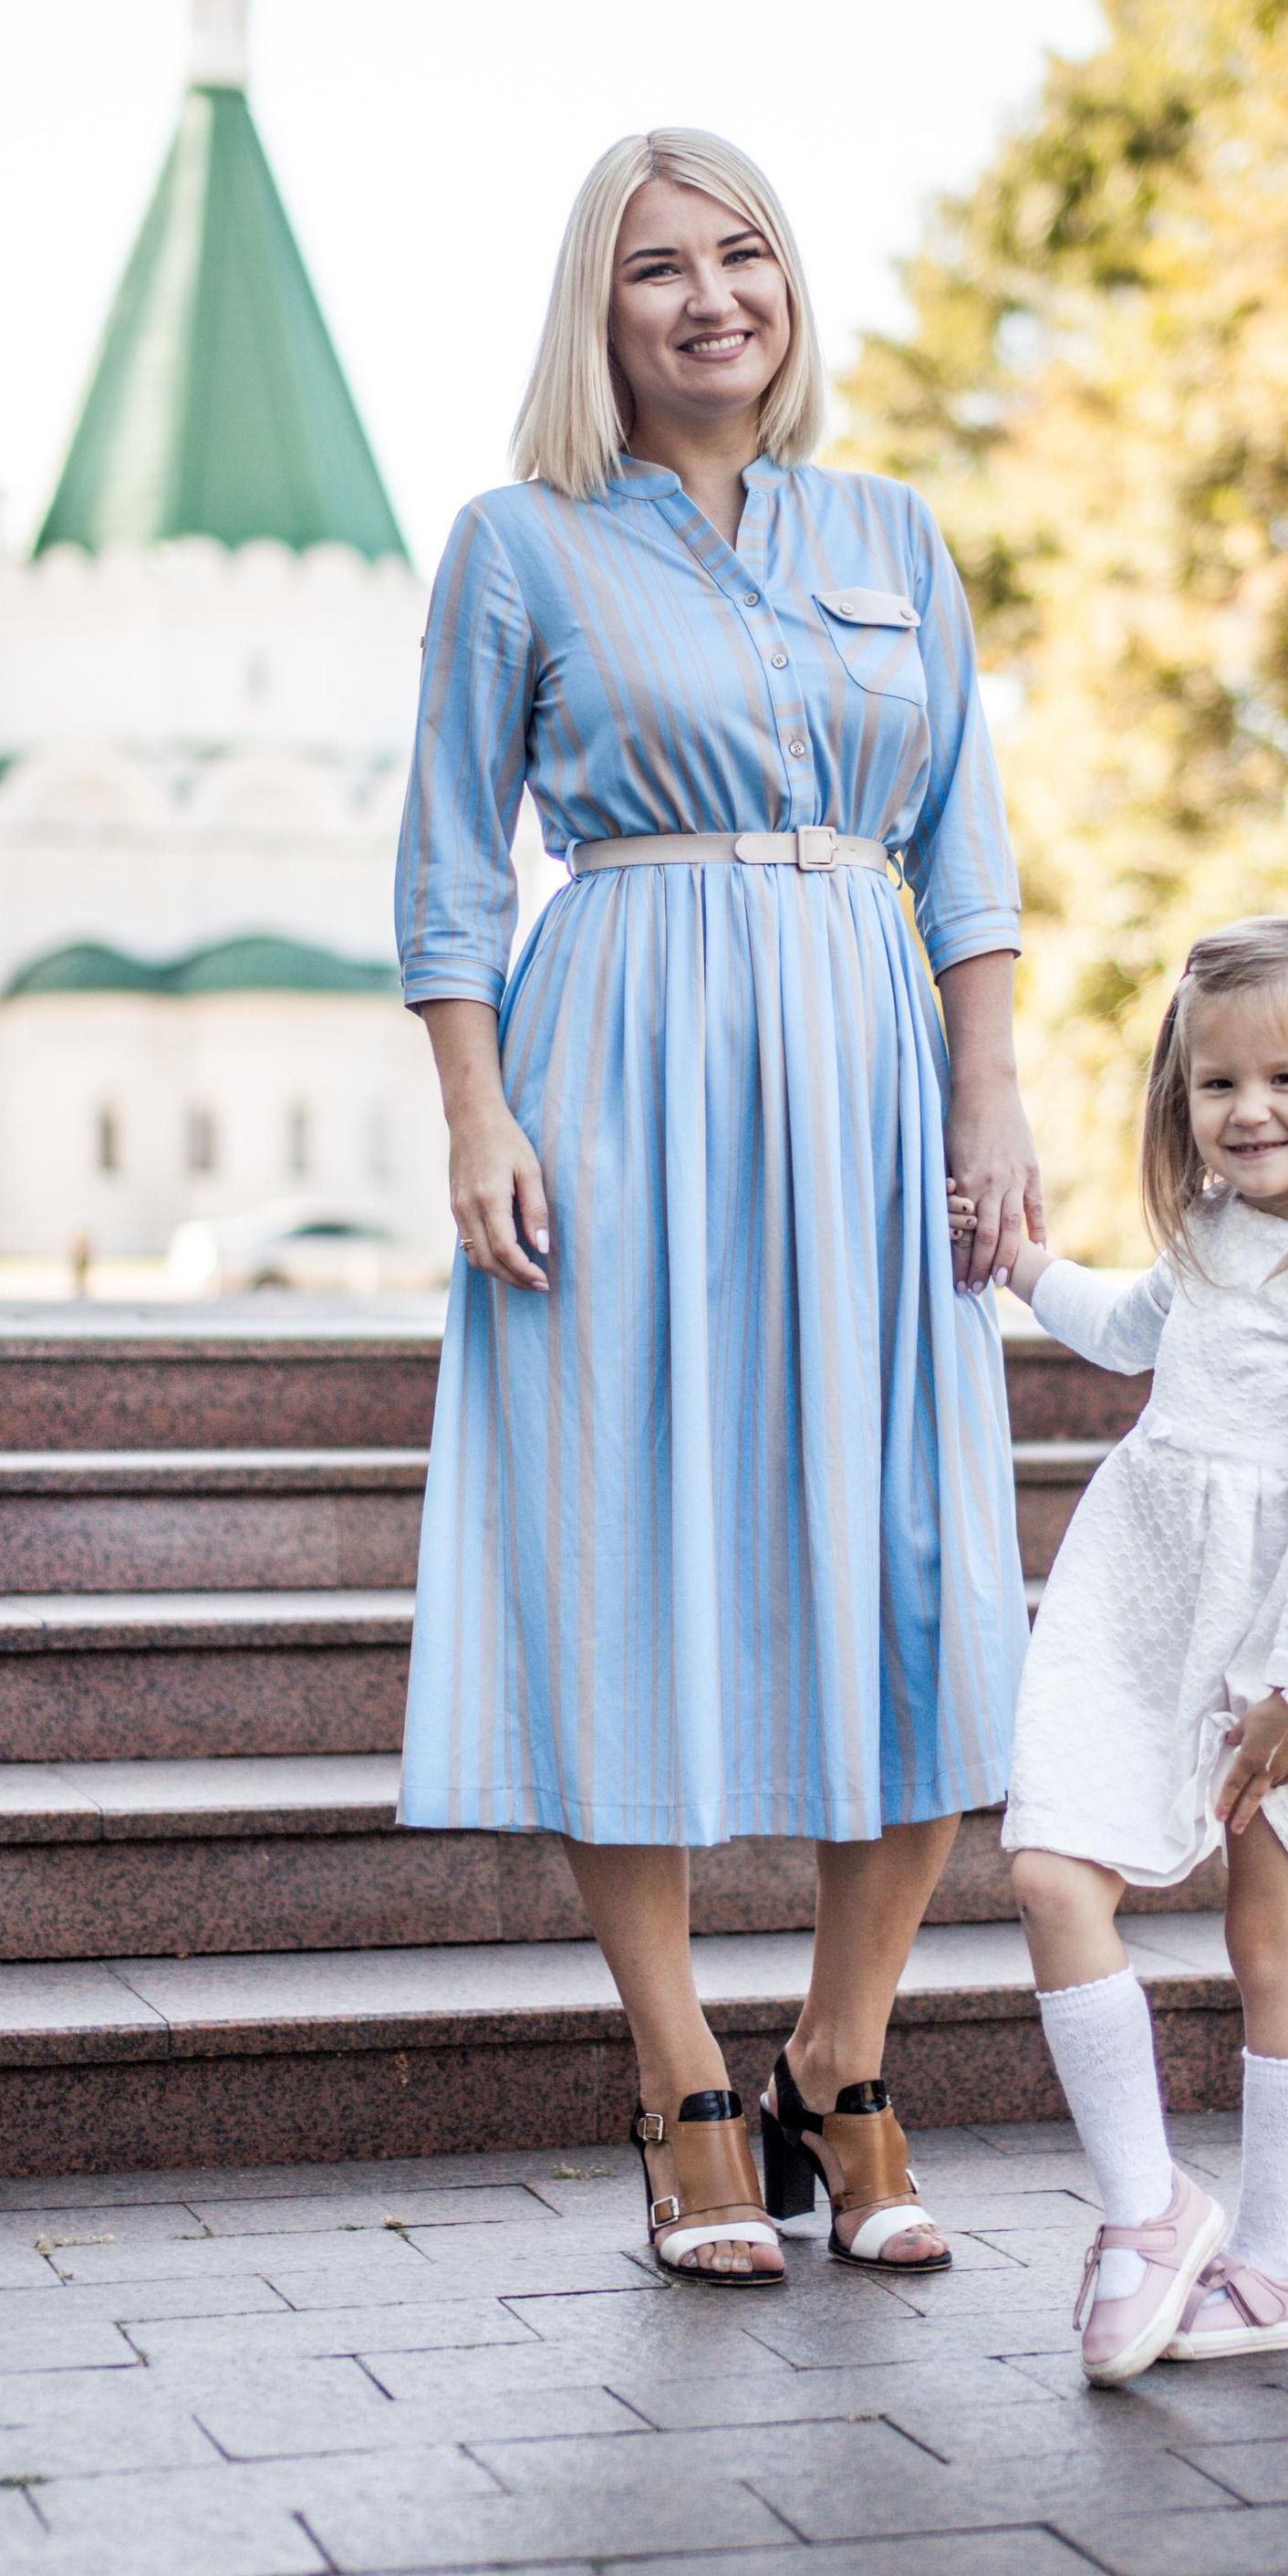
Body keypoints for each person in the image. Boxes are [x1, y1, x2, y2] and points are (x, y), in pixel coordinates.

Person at [396, 128, 1037, 2284]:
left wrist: (987, 1100)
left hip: (864, 1078)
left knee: (919, 1557)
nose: (709, 297)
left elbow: (962, 851)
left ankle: (838, 2064)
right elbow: (451, 864)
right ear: (598, 312)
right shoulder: (518, 544)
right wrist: (476, 1115)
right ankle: (676, 2077)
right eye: (656, 265)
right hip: (619, 1071)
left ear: (787, 288)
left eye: (741, 253)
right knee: (618, 1545)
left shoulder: (889, 531)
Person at [972, 914, 1288, 2383]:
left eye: (1286, 1080)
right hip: (1147, 1615)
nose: (1249, 1111)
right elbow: (1125, 1328)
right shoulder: (1206, 1237)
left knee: (1270, 1944)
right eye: (1216, 1084)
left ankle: (1277, 2266)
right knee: (1051, 1872)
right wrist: (1020, 1264)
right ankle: (1149, 2208)